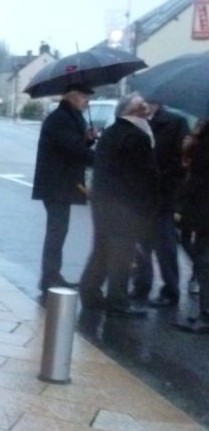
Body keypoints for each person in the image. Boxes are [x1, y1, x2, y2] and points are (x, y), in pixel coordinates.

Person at [80, 93, 158, 317]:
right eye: (141, 106)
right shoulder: (138, 136)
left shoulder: (112, 132)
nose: (146, 108)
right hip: (126, 206)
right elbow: (145, 176)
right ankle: (118, 302)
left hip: (103, 202)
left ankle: (90, 293)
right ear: (132, 112)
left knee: (102, 250)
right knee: (121, 255)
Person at [31, 84, 96, 292]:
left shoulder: (69, 117)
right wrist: (100, 158)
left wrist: (88, 140)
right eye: (85, 96)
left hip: (60, 184)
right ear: (72, 97)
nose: (87, 101)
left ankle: (52, 275)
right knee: (57, 231)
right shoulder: (61, 119)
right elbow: (73, 149)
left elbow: (73, 146)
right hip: (56, 185)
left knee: (58, 231)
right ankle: (49, 277)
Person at [131, 100, 190, 306]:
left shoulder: (175, 122)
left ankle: (171, 291)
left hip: (163, 195)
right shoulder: (138, 122)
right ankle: (142, 285)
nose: (143, 105)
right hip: (141, 195)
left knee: (165, 245)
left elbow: (181, 162)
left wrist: (159, 178)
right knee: (141, 245)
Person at [175, 121, 209, 332]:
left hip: (203, 209)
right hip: (201, 210)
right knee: (202, 258)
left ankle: (206, 314)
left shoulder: (203, 144)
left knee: (204, 261)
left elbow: (197, 179)